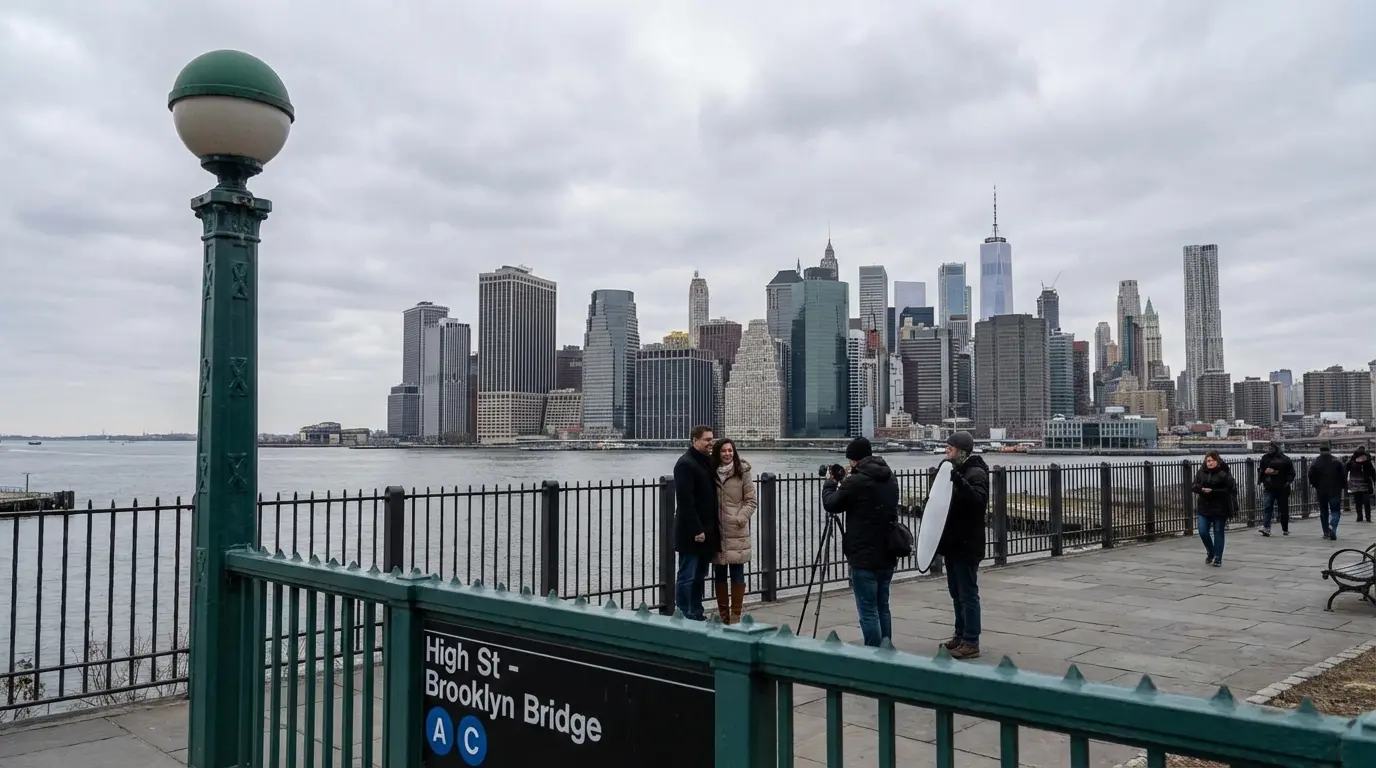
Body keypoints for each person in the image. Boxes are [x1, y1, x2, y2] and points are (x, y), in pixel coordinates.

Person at [821, 436, 900, 648]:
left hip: (864, 554)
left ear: (854, 460)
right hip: (888, 551)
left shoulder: (856, 481)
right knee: (883, 605)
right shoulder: (889, 476)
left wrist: (830, 483)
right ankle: (886, 648)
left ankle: (873, 655)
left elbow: (832, 504)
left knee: (868, 609)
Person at [933, 431, 989, 660]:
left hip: (967, 543)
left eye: (950, 449)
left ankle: (971, 640)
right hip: (954, 542)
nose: (947, 452)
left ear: (962, 451)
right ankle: (960, 634)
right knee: (956, 592)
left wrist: (959, 482)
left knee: (967, 593)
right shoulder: (955, 471)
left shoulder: (975, 473)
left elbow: (978, 503)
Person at [672, 425, 719, 620]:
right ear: (694, 440)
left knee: (700, 575)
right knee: (687, 575)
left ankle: (696, 611)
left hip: (707, 529)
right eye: (707, 440)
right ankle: (683, 612)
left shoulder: (706, 461)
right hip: (692, 531)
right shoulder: (685, 464)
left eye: (712, 439)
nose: (711, 443)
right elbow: (685, 501)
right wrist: (696, 530)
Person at [711, 438, 755, 624]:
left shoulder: (743, 472)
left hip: (737, 530)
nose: (727, 454)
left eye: (730, 451)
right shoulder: (710, 472)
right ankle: (723, 615)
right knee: (719, 573)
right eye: (723, 451)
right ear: (718, 454)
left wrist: (740, 518)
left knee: (738, 572)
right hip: (717, 531)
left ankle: (735, 614)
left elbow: (751, 501)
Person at [1192, 451, 1235, 566]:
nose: (1210, 463)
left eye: (1212, 460)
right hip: (1204, 507)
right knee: (1203, 531)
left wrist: (1213, 491)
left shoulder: (1224, 472)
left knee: (1218, 532)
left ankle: (1218, 558)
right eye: (1208, 461)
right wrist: (1201, 490)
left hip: (1220, 507)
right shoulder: (1201, 472)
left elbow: (1229, 488)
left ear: (1218, 461)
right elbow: (1194, 486)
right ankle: (1211, 551)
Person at [1309, 443, 1346, 540]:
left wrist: (1315, 485)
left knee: (1324, 511)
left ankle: (1326, 532)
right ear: (1329, 450)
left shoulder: (1316, 462)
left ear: (1320, 451)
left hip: (1322, 490)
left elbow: (1311, 475)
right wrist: (1342, 486)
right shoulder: (1336, 461)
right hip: (1335, 490)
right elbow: (1343, 475)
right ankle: (1332, 527)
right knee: (1335, 511)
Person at [1258, 442, 1295, 537]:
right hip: (1269, 486)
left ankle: (1285, 528)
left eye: (1271, 447)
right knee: (1267, 506)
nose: (1269, 449)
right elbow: (1261, 470)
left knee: (1283, 509)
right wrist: (1264, 474)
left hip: (1282, 487)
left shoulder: (1285, 459)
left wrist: (1287, 482)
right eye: (1268, 447)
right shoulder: (1265, 458)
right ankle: (1267, 527)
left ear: (1276, 448)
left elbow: (1291, 473)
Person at [1345, 446, 1375, 524]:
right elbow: (1345, 468)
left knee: (1366, 501)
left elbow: (1373, 473)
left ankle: (1367, 517)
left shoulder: (1368, 463)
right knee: (1358, 501)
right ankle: (1360, 516)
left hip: (1365, 484)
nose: (1362, 458)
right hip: (1356, 484)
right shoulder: (1352, 461)